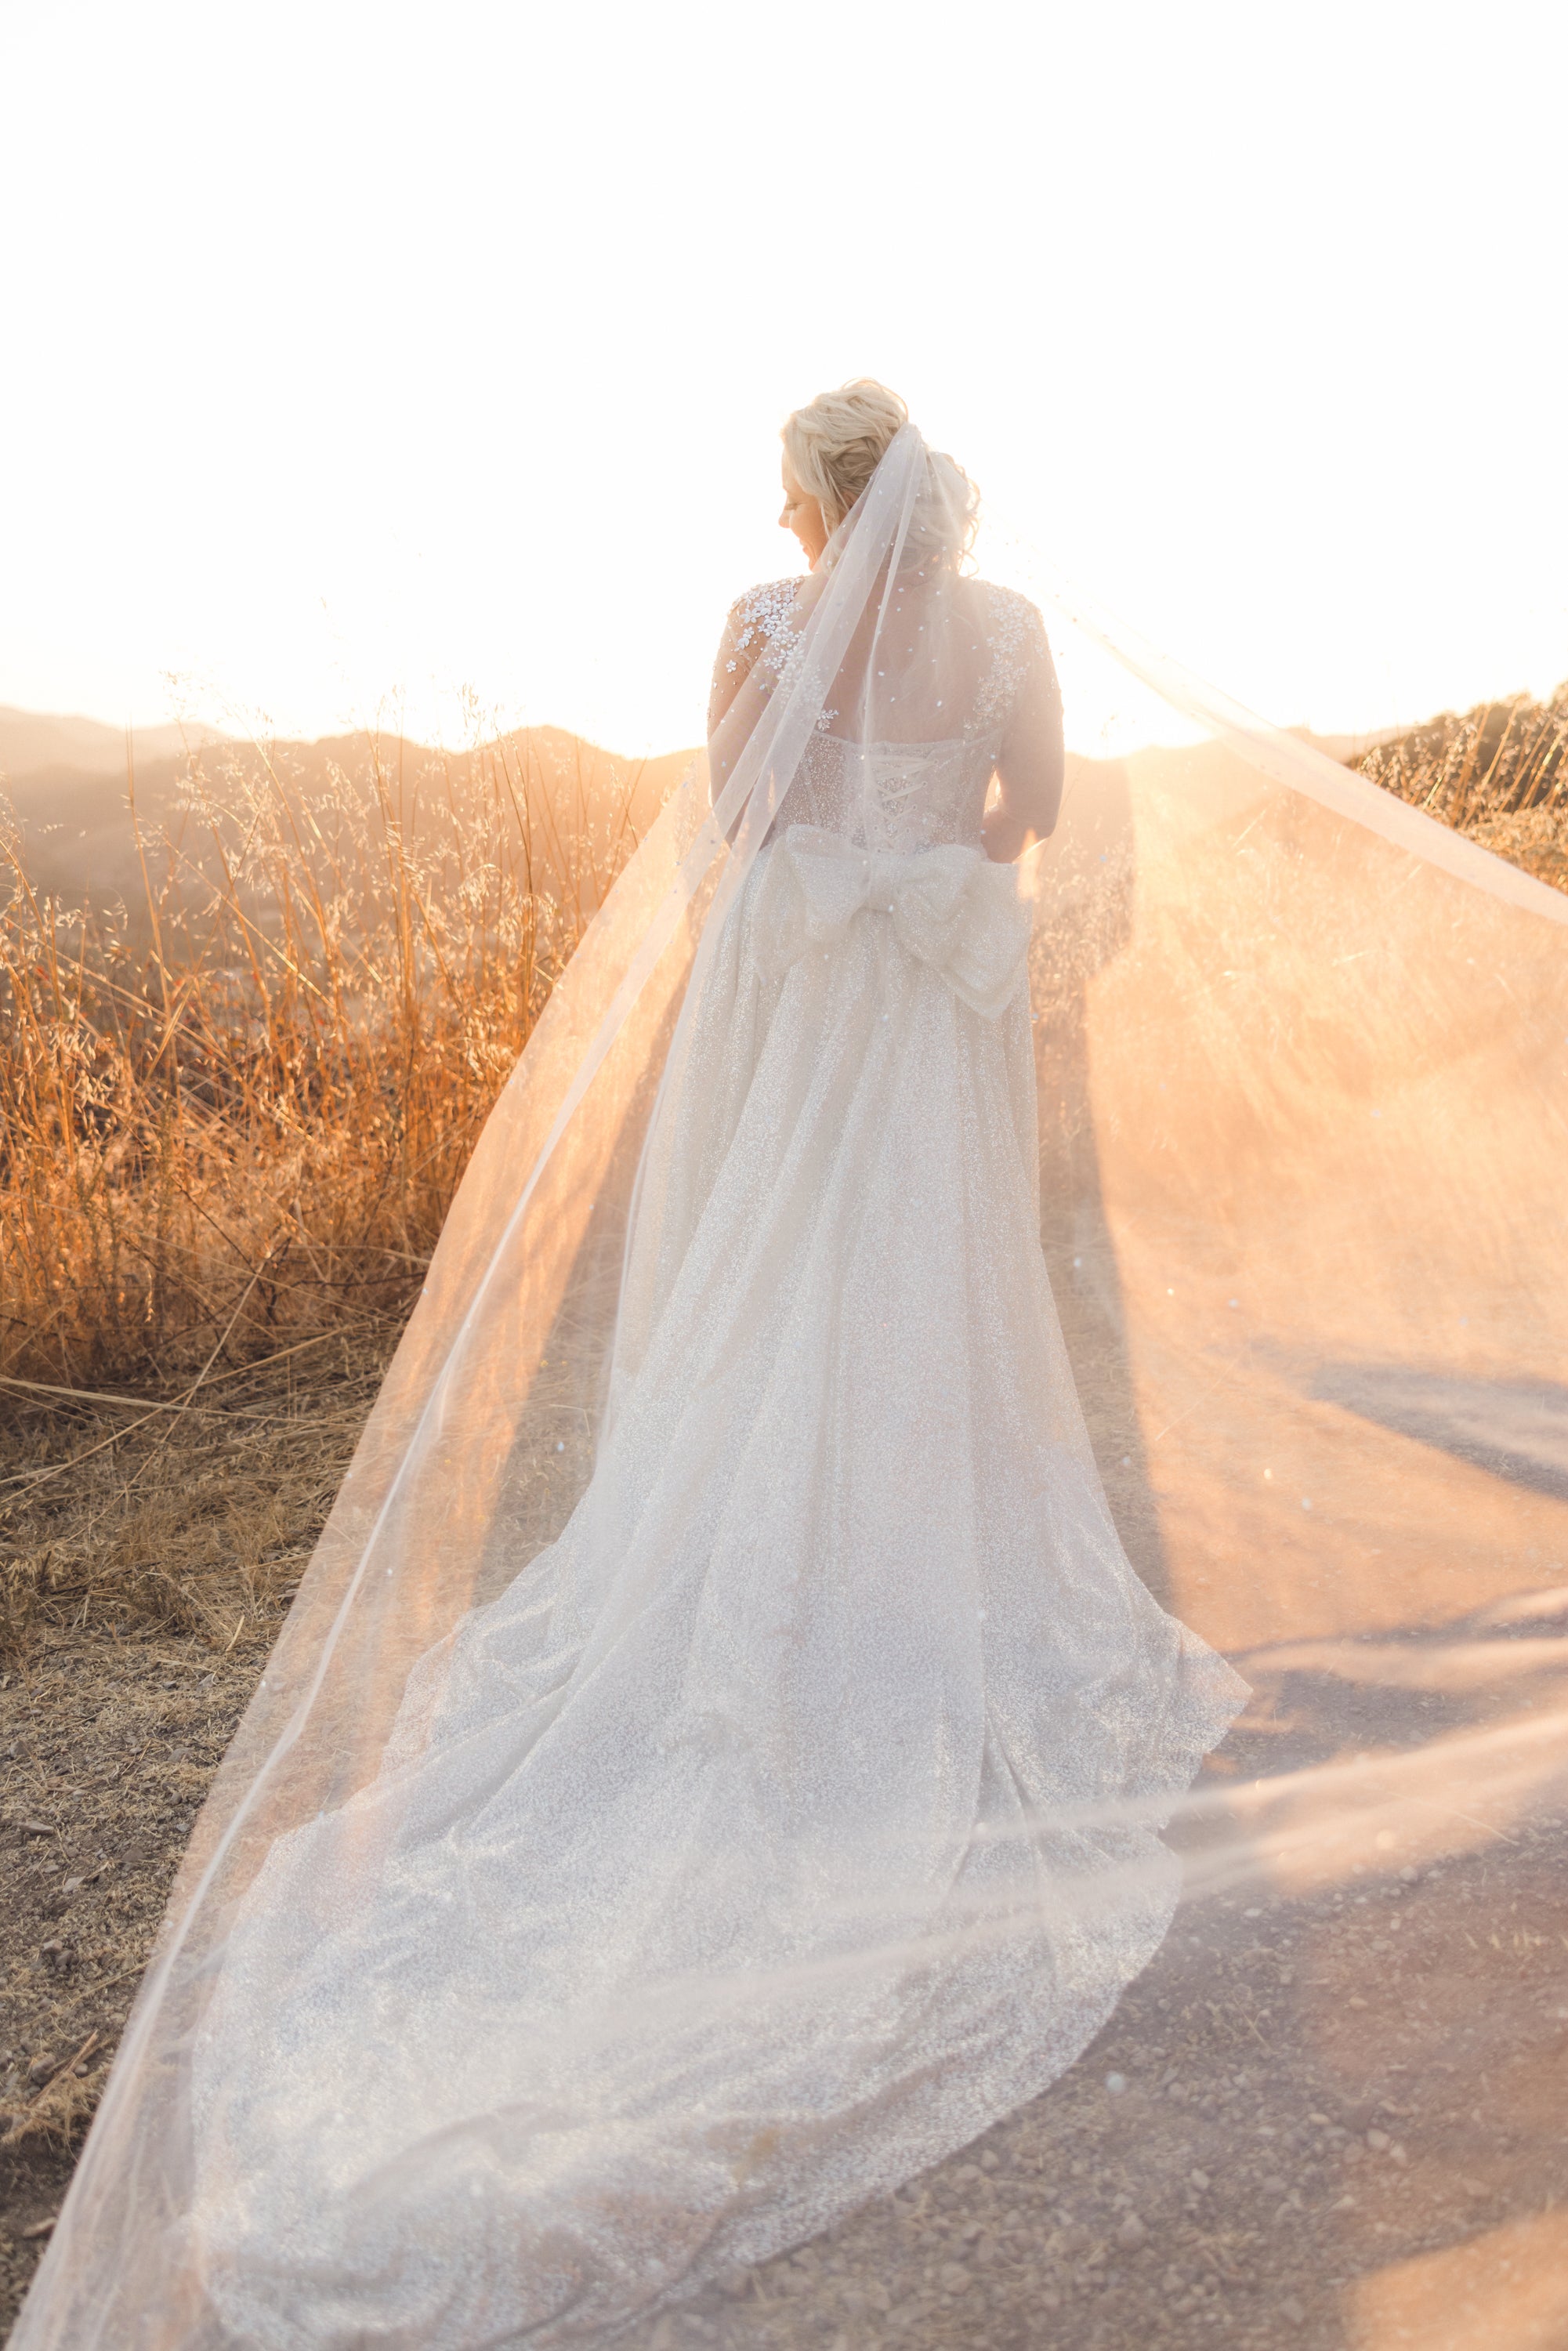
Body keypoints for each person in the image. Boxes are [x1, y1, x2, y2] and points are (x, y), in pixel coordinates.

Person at [21, 385, 1248, 2350]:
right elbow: (1026, 813)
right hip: (937, 988)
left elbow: (741, 811)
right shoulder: (1008, 631)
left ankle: (763, 1577)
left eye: (784, 485)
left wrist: (849, 826)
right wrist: (931, 833)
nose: (771, 514)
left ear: (818, 497)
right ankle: (907, 1560)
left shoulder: (762, 624)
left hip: (805, 975)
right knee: (920, 1284)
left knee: (767, 1287)